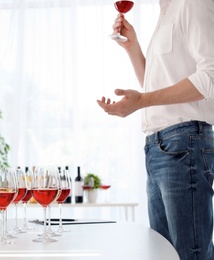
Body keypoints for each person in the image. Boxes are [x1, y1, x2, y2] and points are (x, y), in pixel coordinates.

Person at [97, 1, 214, 259]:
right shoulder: (165, 12)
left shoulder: (192, 3)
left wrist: (143, 101)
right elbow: (156, 84)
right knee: (165, 254)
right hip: (158, 148)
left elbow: (210, 78)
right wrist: (132, 47)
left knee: (188, 254)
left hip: (184, 143)